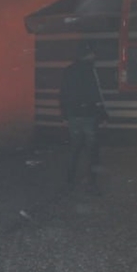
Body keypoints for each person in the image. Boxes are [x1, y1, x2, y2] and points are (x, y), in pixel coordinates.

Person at [59, 42, 108, 192]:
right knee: (92, 148)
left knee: (75, 147)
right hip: (89, 114)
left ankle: (70, 178)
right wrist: (103, 114)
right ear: (89, 54)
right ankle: (92, 181)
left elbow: (63, 94)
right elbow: (96, 94)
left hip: (73, 115)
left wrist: (64, 114)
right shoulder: (90, 70)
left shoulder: (68, 71)